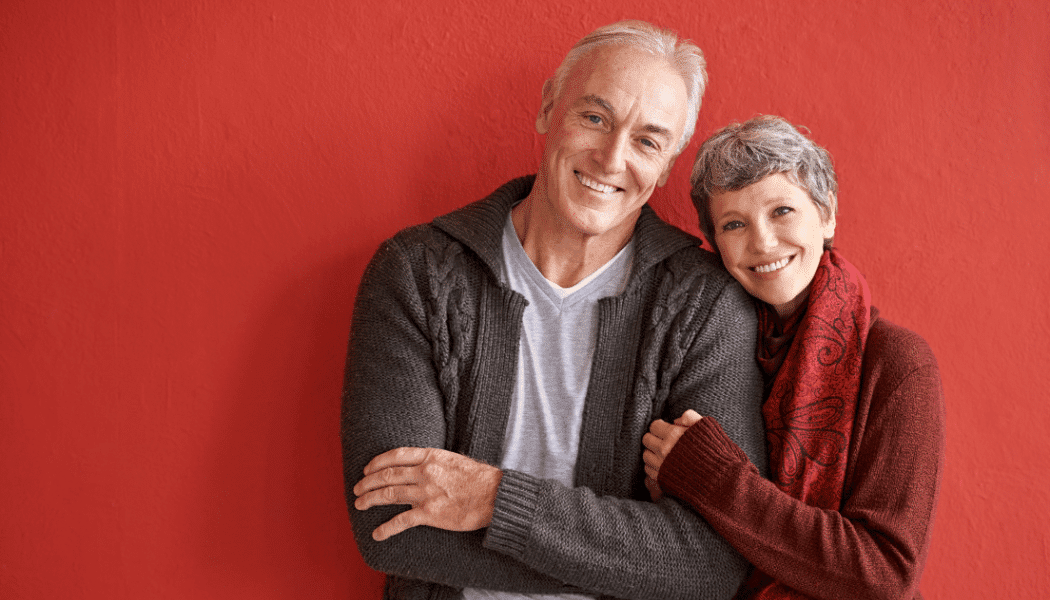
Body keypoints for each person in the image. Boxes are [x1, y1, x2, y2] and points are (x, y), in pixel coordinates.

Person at [342, 20, 767, 600]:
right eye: (594, 117)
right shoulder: (417, 274)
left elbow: (713, 563)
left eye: (647, 140)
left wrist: (497, 500)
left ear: (667, 164)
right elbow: (390, 530)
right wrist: (626, 562)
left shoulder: (703, 303)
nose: (612, 158)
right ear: (548, 109)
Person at [642, 115, 946, 600]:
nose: (762, 242)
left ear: (826, 215)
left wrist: (715, 482)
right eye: (734, 223)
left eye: (782, 211)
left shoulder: (898, 363)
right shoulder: (706, 347)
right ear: (716, 243)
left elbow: (884, 576)